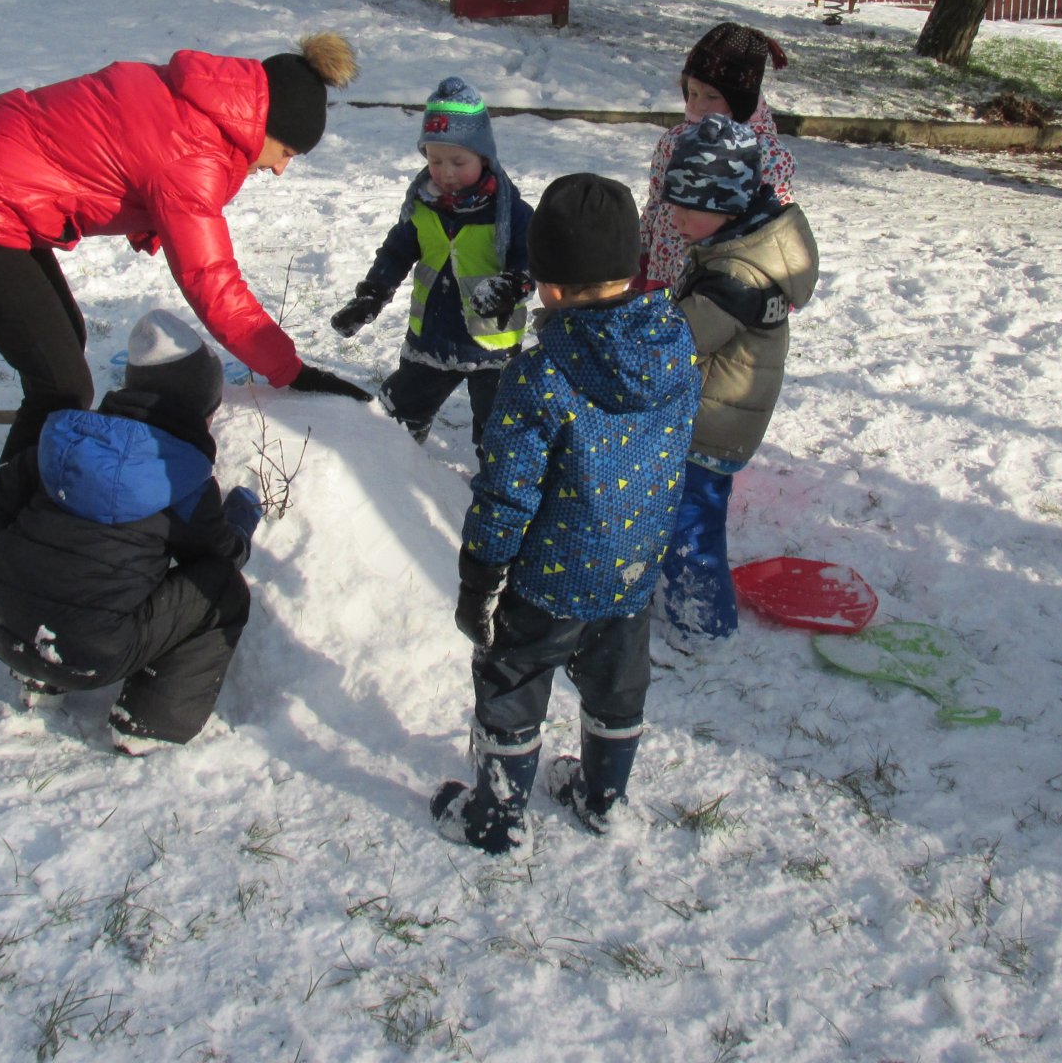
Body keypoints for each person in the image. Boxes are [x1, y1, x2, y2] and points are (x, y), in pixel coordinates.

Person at [0, 32, 371, 463]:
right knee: (61, 385)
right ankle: (15, 527)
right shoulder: (194, 154)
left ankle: (40, 484)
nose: (279, 170)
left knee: (65, 345)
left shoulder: (195, 100)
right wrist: (290, 370)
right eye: (287, 153)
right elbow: (210, 280)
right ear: (265, 128)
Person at [431, 174, 701, 852]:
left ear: (548, 285)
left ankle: (496, 817)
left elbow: (506, 492)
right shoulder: (676, 348)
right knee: (618, 681)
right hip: (633, 571)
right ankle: (603, 796)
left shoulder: (540, 376)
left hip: (546, 582)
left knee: (512, 677)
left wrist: (480, 576)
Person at [0, 309, 265, 755]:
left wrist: (0, 581)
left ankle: (37, 674)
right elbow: (217, 556)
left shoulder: (60, 440)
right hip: (90, 652)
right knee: (222, 592)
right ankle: (149, 723)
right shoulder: (179, 478)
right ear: (197, 407)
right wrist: (239, 522)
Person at [652, 115, 818, 652]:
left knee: (692, 528)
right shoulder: (746, 248)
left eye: (683, 204)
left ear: (723, 205)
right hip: (721, 412)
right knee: (691, 516)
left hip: (711, 424)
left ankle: (703, 624)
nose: (670, 213)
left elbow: (678, 342)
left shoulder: (736, 277)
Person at [327, 78, 536, 445]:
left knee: (501, 430)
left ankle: (499, 483)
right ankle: (396, 458)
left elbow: (533, 259)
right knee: (397, 414)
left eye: (459, 161)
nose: (446, 172)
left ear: (484, 157)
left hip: (493, 343)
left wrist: (512, 286)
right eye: (435, 160)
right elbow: (396, 252)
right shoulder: (421, 205)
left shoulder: (509, 211)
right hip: (432, 336)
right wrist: (372, 295)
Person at [637, 23, 798, 293]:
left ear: (741, 102)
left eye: (712, 97)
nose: (698, 105)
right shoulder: (675, 141)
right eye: (693, 93)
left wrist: (776, 275)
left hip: (729, 279)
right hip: (665, 268)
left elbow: (776, 219)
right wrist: (642, 251)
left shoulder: (763, 154)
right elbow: (656, 200)